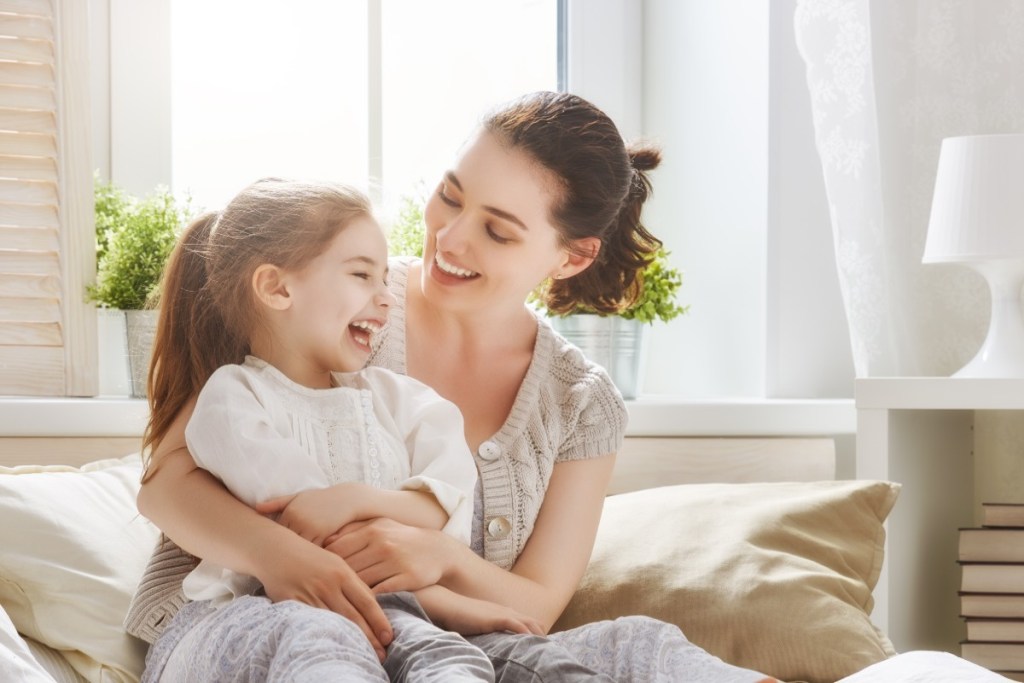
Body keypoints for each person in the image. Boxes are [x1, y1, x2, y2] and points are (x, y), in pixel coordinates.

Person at [127, 92, 776, 682]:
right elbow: (165, 486)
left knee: (636, 647)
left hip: (439, 645)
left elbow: (535, 605)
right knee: (321, 637)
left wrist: (435, 552)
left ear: (571, 256)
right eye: (451, 194)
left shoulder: (580, 401)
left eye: (497, 230)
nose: (451, 237)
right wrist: (283, 559)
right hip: (236, 619)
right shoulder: (344, 304)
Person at [136, 177, 559, 682]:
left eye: (500, 230)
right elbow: (308, 527)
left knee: (451, 660)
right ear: (276, 287)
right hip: (267, 610)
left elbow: (444, 497)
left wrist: (360, 500)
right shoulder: (235, 396)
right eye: (363, 276)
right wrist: (438, 601)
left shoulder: (394, 396)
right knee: (329, 643)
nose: (387, 299)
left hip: (397, 614)